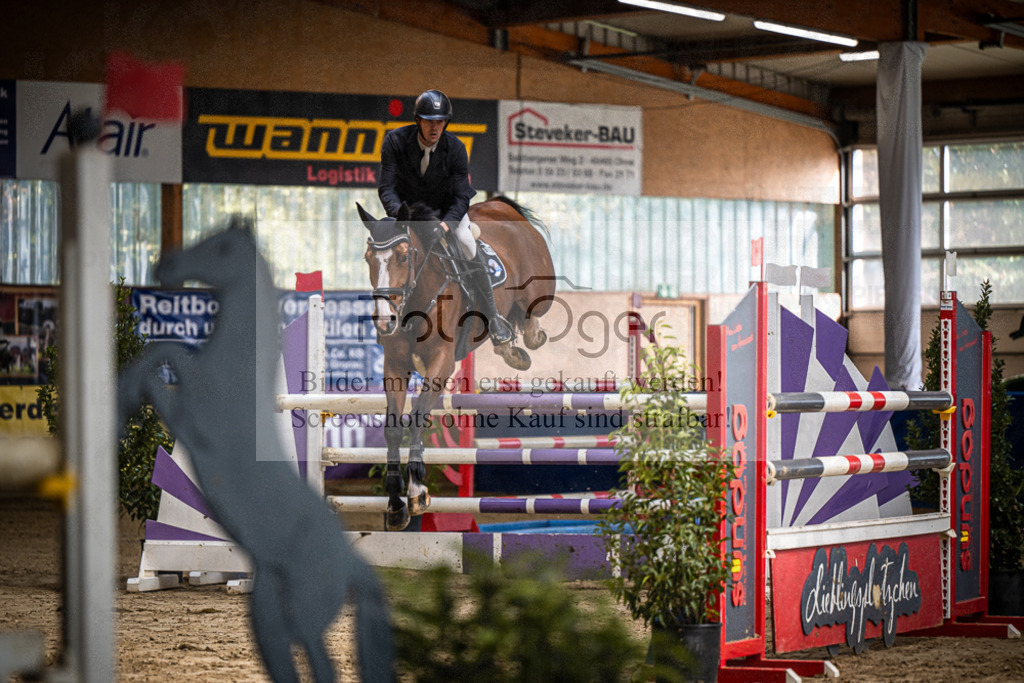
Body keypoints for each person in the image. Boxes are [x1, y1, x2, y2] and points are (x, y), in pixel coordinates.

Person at [377, 89, 514, 346]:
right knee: (383, 252)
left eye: (439, 122)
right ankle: (385, 310)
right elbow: (387, 188)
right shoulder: (394, 142)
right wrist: (400, 216)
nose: (434, 127)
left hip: (446, 214)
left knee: (467, 242)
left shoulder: (456, 148)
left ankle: (493, 318)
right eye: (429, 121)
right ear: (418, 120)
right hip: (407, 215)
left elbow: (462, 196)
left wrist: (446, 224)